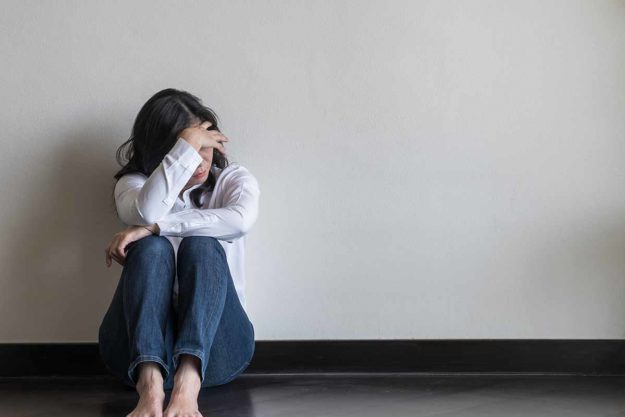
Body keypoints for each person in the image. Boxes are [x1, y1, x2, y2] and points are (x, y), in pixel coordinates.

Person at [98, 88, 260, 417]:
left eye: (205, 145)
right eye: (188, 148)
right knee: (151, 249)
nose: (200, 160)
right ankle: (150, 387)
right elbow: (146, 212)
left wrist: (158, 227)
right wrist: (150, 229)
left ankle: (188, 384)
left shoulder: (232, 181)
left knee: (201, 244)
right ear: (164, 152)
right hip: (131, 353)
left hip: (219, 350)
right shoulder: (132, 186)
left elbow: (241, 220)